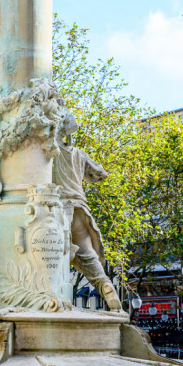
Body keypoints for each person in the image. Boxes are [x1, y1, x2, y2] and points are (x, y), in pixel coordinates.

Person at [52, 112, 121, 311]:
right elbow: (100, 173)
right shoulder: (79, 154)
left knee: (53, 252)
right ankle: (105, 285)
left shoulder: (51, 151)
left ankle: (53, 295)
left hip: (58, 209)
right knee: (87, 253)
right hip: (80, 210)